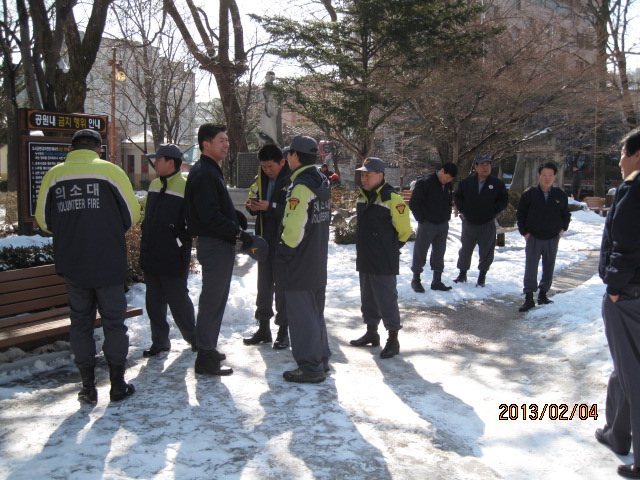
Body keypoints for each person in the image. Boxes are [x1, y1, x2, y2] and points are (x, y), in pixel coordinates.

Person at [35, 129, 140, 404]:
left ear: (71, 149)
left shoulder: (54, 175)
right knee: (114, 323)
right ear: (98, 149)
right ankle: (117, 384)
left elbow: (43, 221)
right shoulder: (111, 172)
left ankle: (87, 388)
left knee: (80, 324)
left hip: (73, 262)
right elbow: (132, 215)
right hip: (109, 261)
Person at [185, 123, 252, 376]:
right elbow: (208, 216)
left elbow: (212, 207)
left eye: (227, 140)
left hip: (217, 242)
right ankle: (205, 356)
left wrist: (234, 217)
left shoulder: (210, 169)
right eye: (221, 140)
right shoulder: (205, 173)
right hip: (214, 244)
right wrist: (238, 233)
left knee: (216, 299)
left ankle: (208, 347)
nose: (226, 145)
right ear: (206, 144)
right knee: (212, 301)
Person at [595, 129, 640, 480]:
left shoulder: (634, 188)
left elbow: (625, 243)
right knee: (626, 364)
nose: (620, 159)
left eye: (623, 152)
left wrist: (614, 286)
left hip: (628, 294)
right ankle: (617, 431)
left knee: (633, 372)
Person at [276, 135, 331, 383]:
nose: (287, 157)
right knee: (315, 313)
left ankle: (310, 366)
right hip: (317, 258)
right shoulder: (321, 180)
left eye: (289, 153)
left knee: (301, 316)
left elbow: (294, 228)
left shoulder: (300, 186)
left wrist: (284, 252)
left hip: (299, 261)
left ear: (296, 156)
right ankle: (321, 358)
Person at [349, 158, 412, 359]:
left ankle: (393, 339)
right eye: (362, 174)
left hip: (383, 258)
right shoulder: (362, 197)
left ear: (380, 175)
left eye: (368, 174)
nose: (364, 178)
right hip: (366, 255)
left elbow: (404, 231)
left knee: (386, 299)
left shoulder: (392, 198)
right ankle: (372, 332)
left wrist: (390, 247)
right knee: (367, 297)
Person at [140, 144, 197, 357]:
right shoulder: (155, 184)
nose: (155, 163)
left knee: (178, 299)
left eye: (159, 160)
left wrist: (181, 238)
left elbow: (194, 220)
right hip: (151, 251)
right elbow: (145, 214)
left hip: (173, 254)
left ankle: (194, 339)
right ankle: (160, 342)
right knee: (153, 302)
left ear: (171, 163)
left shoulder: (186, 186)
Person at [243, 144, 291, 349]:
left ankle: (283, 331)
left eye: (271, 166)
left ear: (282, 162)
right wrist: (253, 206)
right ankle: (263, 328)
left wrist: (270, 206)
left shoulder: (292, 180)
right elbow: (251, 197)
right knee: (263, 287)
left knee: (282, 288)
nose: (267, 170)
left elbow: (293, 210)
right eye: (264, 166)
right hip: (263, 241)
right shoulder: (260, 179)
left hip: (283, 240)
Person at [516, 162, 571, 312]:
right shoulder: (529, 194)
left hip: (552, 237)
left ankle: (543, 294)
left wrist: (562, 230)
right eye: (544, 175)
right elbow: (521, 215)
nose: (547, 178)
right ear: (538, 176)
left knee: (549, 266)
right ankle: (529, 297)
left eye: (550, 175)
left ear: (554, 177)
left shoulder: (560, 195)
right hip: (533, 237)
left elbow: (566, 214)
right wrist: (525, 233)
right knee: (531, 267)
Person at [453, 155, 509, 287]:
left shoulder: (497, 183)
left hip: (487, 222)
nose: (486, 168)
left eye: (488, 165)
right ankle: (462, 273)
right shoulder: (466, 183)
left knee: (487, 250)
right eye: (482, 165)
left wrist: (494, 210)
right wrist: (463, 209)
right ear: (476, 167)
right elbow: (458, 197)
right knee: (466, 249)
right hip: (469, 222)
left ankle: (482, 275)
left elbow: (504, 200)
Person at [409, 162, 458, 293]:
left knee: (439, 252)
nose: (448, 180)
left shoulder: (448, 185)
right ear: (442, 171)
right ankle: (416, 279)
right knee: (420, 251)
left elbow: (448, 201)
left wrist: (447, 217)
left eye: (451, 179)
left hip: (442, 224)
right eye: (447, 177)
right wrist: (422, 220)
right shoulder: (425, 182)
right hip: (427, 223)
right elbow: (414, 203)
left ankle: (437, 280)